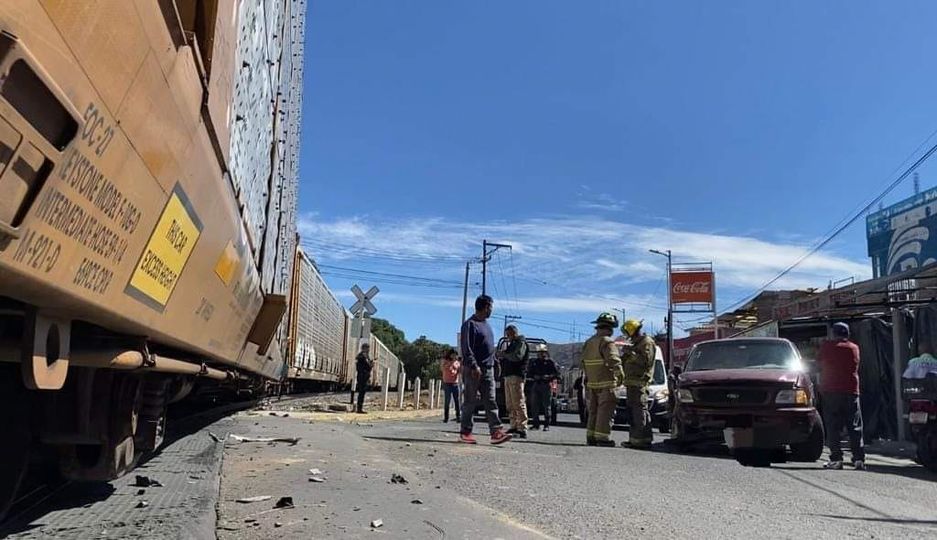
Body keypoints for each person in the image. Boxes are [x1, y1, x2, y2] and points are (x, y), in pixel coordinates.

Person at [459, 295, 512, 445]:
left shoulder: (487, 325)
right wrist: (474, 365)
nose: (491, 310)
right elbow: (466, 348)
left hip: (488, 369)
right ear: (485, 307)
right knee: (470, 401)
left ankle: (496, 432)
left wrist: (495, 362)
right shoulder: (470, 324)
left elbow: (488, 348)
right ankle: (465, 432)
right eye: (490, 307)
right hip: (473, 369)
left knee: (491, 400)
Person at [817, 322, 865, 470]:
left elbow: (819, 365)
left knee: (833, 427)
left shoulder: (827, 347)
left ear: (833, 333)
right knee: (855, 427)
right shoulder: (854, 348)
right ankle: (859, 459)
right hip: (852, 391)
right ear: (847, 334)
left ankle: (836, 459)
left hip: (831, 391)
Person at [581, 312, 623, 447]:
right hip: (607, 383)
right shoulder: (607, 341)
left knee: (593, 411)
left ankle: (591, 436)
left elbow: (583, 363)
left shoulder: (589, 342)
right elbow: (613, 359)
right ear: (610, 328)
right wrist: (620, 374)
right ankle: (602, 438)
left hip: (592, 383)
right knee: (605, 411)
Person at [621, 319, 656, 449]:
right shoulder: (637, 344)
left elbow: (646, 362)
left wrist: (631, 353)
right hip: (631, 383)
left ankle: (641, 440)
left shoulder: (647, 343)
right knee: (633, 412)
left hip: (639, 382)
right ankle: (636, 439)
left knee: (639, 411)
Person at [498, 325, 529, 438]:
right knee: (510, 403)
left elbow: (517, 356)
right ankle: (514, 425)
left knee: (518, 402)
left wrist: (505, 354)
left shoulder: (521, 343)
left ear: (514, 333)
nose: (508, 337)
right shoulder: (512, 344)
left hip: (516, 375)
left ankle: (522, 427)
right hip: (508, 375)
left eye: (509, 334)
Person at [528, 347, 559, 431]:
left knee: (547, 406)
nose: (541, 354)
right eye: (539, 352)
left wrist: (548, 376)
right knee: (534, 405)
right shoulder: (535, 362)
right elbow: (529, 373)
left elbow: (556, 374)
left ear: (546, 353)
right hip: (536, 384)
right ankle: (536, 424)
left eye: (542, 352)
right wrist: (534, 376)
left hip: (546, 385)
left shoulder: (550, 362)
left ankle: (546, 425)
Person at [441, 349, 462, 423]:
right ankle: (446, 417)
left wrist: (460, 365)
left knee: (457, 400)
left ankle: (458, 417)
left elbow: (459, 371)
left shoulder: (457, 363)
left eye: (455, 355)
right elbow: (443, 368)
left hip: (455, 383)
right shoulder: (445, 361)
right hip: (447, 383)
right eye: (453, 355)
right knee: (447, 400)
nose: (454, 356)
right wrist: (450, 363)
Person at [353, 343, 373, 414]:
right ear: (365, 348)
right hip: (363, 376)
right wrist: (371, 364)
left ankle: (359, 408)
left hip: (363, 376)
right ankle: (359, 408)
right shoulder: (363, 356)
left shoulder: (361, 356)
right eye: (368, 348)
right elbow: (368, 366)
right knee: (362, 393)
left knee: (362, 392)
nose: (369, 350)